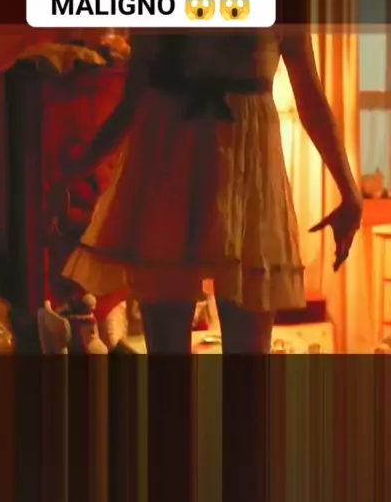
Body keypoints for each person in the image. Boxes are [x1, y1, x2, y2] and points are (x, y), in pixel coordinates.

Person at [61, 33, 362, 354]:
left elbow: (311, 101)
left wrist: (350, 192)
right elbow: (130, 105)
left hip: (245, 174)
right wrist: (71, 176)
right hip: (169, 167)